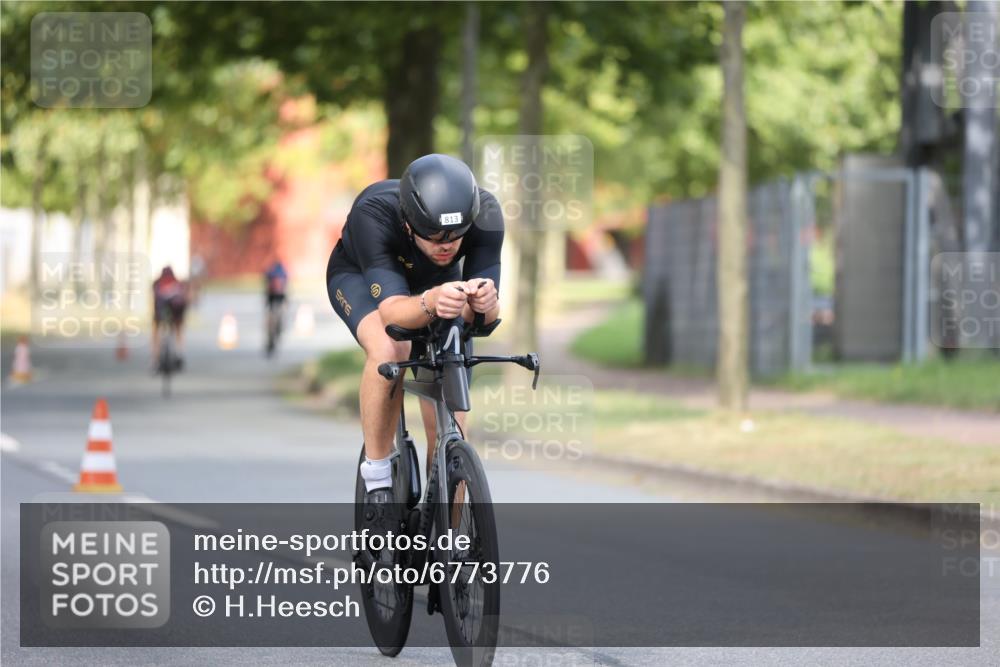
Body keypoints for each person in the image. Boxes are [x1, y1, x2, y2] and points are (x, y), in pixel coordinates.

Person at [326, 153, 503, 533]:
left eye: (456, 235)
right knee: (391, 349)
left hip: (438, 284)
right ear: (409, 224)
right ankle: (377, 479)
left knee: (450, 410)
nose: (446, 245)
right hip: (363, 278)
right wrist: (431, 302)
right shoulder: (374, 214)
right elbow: (393, 314)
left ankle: (449, 535)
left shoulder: (486, 214)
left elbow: (482, 320)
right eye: (434, 236)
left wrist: (485, 304)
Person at [151, 266, 189, 370]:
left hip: (161, 310)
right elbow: (184, 299)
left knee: (156, 331)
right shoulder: (178, 284)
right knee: (178, 329)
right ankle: (180, 353)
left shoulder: (156, 284)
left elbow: (154, 300)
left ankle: (155, 359)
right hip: (176, 310)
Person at [264, 259, 289, 353]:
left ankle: (276, 332)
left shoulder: (272, 274)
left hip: (275, 300)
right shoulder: (280, 274)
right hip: (275, 300)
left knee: (275, 318)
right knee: (274, 319)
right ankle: (274, 334)